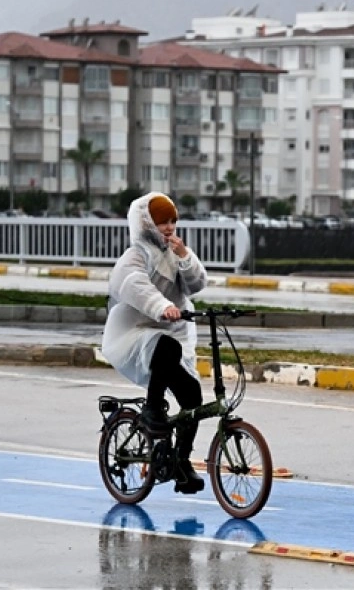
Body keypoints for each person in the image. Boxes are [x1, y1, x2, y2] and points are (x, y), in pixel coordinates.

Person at [101, 192, 209, 494]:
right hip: (136, 330)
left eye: (173, 221)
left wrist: (186, 257)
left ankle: (180, 462)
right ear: (148, 223)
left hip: (172, 331)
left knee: (192, 398)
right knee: (166, 347)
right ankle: (152, 408)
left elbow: (196, 284)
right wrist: (161, 307)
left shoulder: (174, 250)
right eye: (163, 222)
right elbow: (134, 285)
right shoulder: (135, 255)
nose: (169, 227)